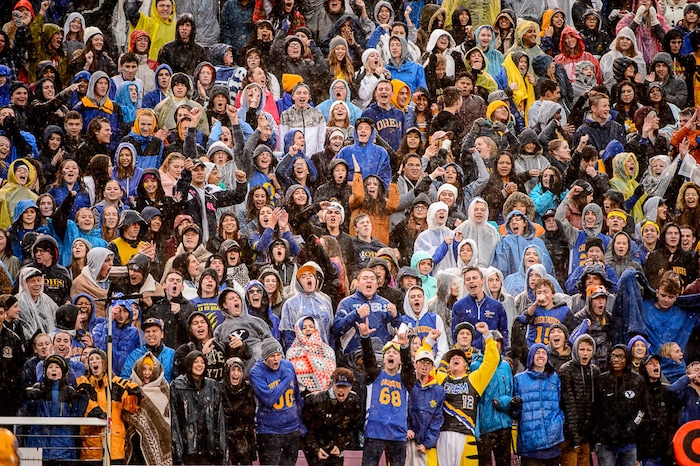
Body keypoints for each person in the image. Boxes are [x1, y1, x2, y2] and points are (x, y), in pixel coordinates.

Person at [357, 318, 415, 466]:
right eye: (387, 352)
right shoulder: (374, 374)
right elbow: (368, 358)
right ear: (383, 358)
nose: (391, 354)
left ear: (400, 360)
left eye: (394, 353)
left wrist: (404, 347)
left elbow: (409, 367)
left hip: (397, 432)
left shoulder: (405, 379)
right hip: (375, 430)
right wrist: (365, 338)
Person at [76, 349, 141, 462]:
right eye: (91, 359)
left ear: (105, 363)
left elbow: (131, 406)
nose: (94, 362)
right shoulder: (83, 383)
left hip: (114, 445)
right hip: (91, 446)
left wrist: (135, 393)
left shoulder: (117, 384)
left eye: (98, 359)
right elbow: (81, 401)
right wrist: (93, 411)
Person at [250, 337, 303, 466]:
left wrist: (300, 422)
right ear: (264, 358)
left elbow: (297, 396)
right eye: (272, 356)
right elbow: (269, 399)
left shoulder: (288, 365)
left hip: (292, 429)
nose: (276, 359)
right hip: (269, 431)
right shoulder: (256, 372)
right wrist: (285, 380)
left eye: (278, 355)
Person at [170, 350, 226, 465]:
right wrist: (178, 451)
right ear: (189, 364)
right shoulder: (177, 386)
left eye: (202, 362)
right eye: (196, 362)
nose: (199, 365)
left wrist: (220, 449)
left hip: (208, 448)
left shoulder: (212, 386)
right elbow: (175, 420)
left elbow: (219, 419)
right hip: (187, 449)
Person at [302, 367, 363, 466]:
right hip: (315, 443)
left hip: (336, 446)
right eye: (338, 386)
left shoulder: (354, 401)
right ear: (332, 384)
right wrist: (315, 449)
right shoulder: (316, 400)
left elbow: (350, 428)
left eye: (345, 387)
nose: (341, 390)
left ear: (351, 386)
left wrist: (340, 446)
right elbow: (306, 430)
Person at [406, 349, 444, 466]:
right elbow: (400, 410)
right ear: (415, 364)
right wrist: (405, 429)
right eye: (422, 361)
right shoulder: (407, 383)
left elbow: (437, 419)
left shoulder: (438, 390)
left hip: (422, 444)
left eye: (428, 363)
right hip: (404, 440)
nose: (425, 365)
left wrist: (427, 443)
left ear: (433, 367)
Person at [222, 356, 257, 465]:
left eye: (239, 370)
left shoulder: (248, 389)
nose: (236, 374)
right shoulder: (219, 389)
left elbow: (250, 414)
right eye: (233, 370)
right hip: (224, 438)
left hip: (244, 438)